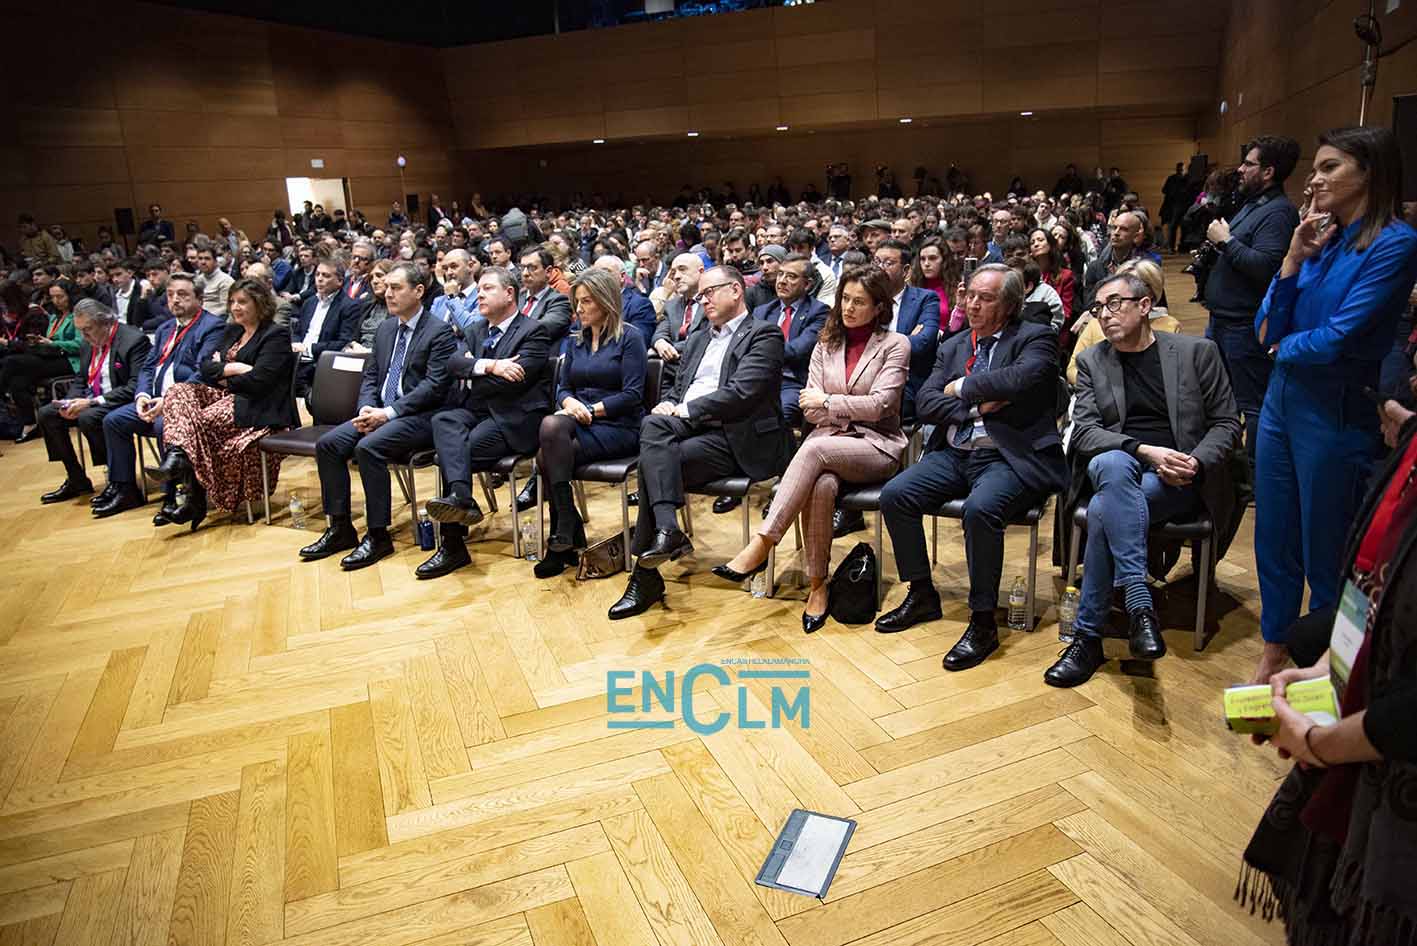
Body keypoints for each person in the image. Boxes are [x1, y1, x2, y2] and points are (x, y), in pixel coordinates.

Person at [1240, 398, 1417, 946]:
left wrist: (1321, 742)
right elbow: (1369, 581)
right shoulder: (1412, 445)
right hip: (1364, 756)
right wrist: (1326, 667)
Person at [1250, 125, 1417, 684]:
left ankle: (1324, 670)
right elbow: (1265, 324)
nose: (1314, 180)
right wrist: (1293, 258)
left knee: (1327, 547)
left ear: (1368, 172)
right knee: (1274, 537)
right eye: (1315, 168)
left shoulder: (1394, 242)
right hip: (1281, 401)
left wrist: (1282, 346)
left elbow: (1340, 337)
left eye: (1329, 168)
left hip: (1334, 409)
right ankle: (1274, 648)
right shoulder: (1319, 238)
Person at [1046, 271, 1242, 686]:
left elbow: (1226, 423)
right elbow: (1085, 432)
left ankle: (1088, 639)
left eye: (1114, 303)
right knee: (1113, 465)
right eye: (1098, 308)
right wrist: (1143, 450)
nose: (1104, 314)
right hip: (1121, 464)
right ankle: (1139, 602)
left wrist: (1194, 462)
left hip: (1176, 477)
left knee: (1104, 510)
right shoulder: (1093, 361)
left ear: (1145, 305)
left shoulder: (1196, 352)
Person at [876, 264, 1067, 667]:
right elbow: (925, 403)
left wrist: (960, 387)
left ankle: (983, 622)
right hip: (955, 452)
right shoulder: (955, 344)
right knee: (895, 495)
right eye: (970, 295)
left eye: (986, 298)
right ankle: (922, 593)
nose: (974, 304)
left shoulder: (1036, 337)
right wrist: (976, 408)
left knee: (981, 510)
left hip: (1008, 456)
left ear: (1010, 304)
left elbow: (1021, 379)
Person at [714, 266, 911, 631]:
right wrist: (833, 404)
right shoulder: (826, 343)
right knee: (821, 485)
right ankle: (818, 585)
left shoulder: (895, 344)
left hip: (876, 446)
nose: (848, 308)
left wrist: (829, 401)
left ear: (879, 307)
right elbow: (808, 406)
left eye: (859, 302)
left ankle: (764, 542)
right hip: (828, 444)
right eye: (845, 299)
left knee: (813, 450)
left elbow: (881, 405)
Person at [607, 266, 791, 620]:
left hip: (738, 437)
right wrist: (668, 403)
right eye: (700, 295)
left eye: (709, 292)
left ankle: (648, 570)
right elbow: (678, 388)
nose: (702, 300)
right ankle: (666, 532)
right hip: (690, 428)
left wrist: (684, 409)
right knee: (654, 434)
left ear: (735, 290)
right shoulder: (698, 338)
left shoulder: (764, 334)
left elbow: (742, 393)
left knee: (651, 464)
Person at [300, 263, 456, 568]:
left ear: (419, 291)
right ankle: (340, 528)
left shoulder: (438, 332)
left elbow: (434, 387)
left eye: (396, 288)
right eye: (387, 287)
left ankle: (378, 535)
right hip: (380, 412)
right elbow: (371, 376)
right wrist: (366, 408)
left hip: (420, 417)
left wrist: (388, 413)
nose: (388, 293)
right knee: (328, 445)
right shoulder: (386, 328)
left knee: (368, 448)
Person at [419, 268, 552, 577]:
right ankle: (462, 499)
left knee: (454, 453)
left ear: (509, 293)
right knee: (443, 419)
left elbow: (514, 383)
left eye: (488, 288)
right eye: (478, 288)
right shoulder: (476, 329)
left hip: (514, 418)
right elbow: (453, 363)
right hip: (477, 411)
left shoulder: (533, 331)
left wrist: (474, 372)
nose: (479, 294)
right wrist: (491, 366)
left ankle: (453, 545)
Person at [144, 279, 298, 531]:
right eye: (232, 302)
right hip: (227, 395)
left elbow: (260, 381)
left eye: (242, 302)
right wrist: (234, 368)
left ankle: (190, 491)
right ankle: (179, 460)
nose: (235, 307)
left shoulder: (275, 334)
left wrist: (223, 376)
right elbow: (205, 366)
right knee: (177, 391)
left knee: (196, 424)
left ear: (259, 303)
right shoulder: (231, 331)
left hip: (257, 404)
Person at [524, 268, 648, 579]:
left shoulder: (630, 337)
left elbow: (633, 395)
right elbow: (562, 388)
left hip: (621, 426)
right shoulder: (576, 340)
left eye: (586, 301)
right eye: (576, 302)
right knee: (551, 427)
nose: (579, 309)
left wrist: (590, 410)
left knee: (545, 456)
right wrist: (570, 404)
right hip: (581, 420)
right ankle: (566, 525)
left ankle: (564, 536)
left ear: (606, 301)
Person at [1203, 135, 1302, 465]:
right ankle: (1228, 466)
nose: (1240, 170)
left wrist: (1226, 241)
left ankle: (1256, 475)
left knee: (1252, 404)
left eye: (1249, 164)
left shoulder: (1279, 213)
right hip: (1223, 320)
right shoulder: (1254, 203)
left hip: (1244, 326)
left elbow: (1267, 267)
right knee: (1220, 398)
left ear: (1268, 172)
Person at [97, 272, 225, 520]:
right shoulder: (165, 328)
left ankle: (174, 495)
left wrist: (170, 402)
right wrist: (142, 396)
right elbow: (148, 366)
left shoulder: (212, 326)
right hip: (155, 399)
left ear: (199, 298)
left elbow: (204, 371)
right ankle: (125, 489)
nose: (175, 300)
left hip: (188, 402)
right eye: (170, 294)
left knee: (163, 425)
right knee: (114, 421)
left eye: (182, 294)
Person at [35, 300, 150, 505]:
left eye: (87, 329)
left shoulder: (133, 340)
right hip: (92, 399)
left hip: (121, 400)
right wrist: (68, 402)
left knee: (89, 417)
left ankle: (118, 481)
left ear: (105, 323)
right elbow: (80, 380)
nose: (83, 336)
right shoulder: (88, 343)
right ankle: (76, 478)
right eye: (80, 330)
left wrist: (92, 402)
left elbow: (135, 386)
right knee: (47, 414)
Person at [1067, 259, 1180, 385]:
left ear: (1151, 293)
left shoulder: (1169, 325)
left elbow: (1174, 373)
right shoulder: (1097, 323)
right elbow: (1073, 369)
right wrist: (1105, 385)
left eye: (1135, 284)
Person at [751, 253, 828, 428]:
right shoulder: (762, 311)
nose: (782, 281)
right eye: (780, 274)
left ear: (807, 284)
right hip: (758, 379)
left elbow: (797, 351)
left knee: (775, 416)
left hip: (791, 382)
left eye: (791, 276)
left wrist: (761, 352)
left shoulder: (819, 312)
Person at [2, 278, 82, 443]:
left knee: (11, 362)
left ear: (70, 296)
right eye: (53, 297)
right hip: (50, 355)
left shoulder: (79, 315)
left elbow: (80, 344)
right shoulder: (54, 317)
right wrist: (40, 341)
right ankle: (30, 424)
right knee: (18, 381)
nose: (56, 301)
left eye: (60, 296)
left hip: (69, 360)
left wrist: (53, 343)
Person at [872, 239, 940, 420]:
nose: (880, 268)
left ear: (906, 271)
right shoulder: (865, 297)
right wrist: (904, 339)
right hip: (865, 379)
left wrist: (874, 346)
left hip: (905, 384)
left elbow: (923, 343)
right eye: (876, 262)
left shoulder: (925, 299)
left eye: (888, 263)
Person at [291, 258, 360, 392]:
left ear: (340, 281)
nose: (319, 279)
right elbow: (297, 331)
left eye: (326, 275)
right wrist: (295, 344)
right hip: (297, 358)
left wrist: (308, 349)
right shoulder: (309, 302)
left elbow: (343, 342)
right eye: (317, 274)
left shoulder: (349, 306)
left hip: (320, 363)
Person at [515, 247, 572, 345]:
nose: (525, 273)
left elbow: (540, 329)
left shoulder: (560, 301)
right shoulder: (517, 297)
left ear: (548, 271)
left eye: (532, 268)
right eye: (522, 268)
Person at [430, 248, 481, 334]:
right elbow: (429, 332)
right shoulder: (438, 301)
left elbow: (471, 329)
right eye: (445, 268)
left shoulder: (482, 297)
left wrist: (452, 298)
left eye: (454, 266)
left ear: (470, 266)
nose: (449, 273)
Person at [350, 259, 393, 350]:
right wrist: (353, 344)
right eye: (371, 278)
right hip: (358, 352)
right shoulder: (367, 305)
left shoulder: (399, 309)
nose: (374, 281)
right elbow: (353, 337)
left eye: (379, 276)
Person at [192, 239, 234, 317]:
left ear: (215, 261)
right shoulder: (198, 280)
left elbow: (226, 308)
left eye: (207, 258)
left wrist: (203, 317)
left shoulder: (226, 281)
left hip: (216, 318)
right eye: (200, 258)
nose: (203, 262)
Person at [1161, 162, 1189, 252]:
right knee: (1175, 226)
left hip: (1180, 205)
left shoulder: (1182, 179)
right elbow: (1164, 190)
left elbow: (1164, 190)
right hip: (1176, 206)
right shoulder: (1175, 179)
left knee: (1179, 226)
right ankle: (1174, 247)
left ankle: (1175, 247)